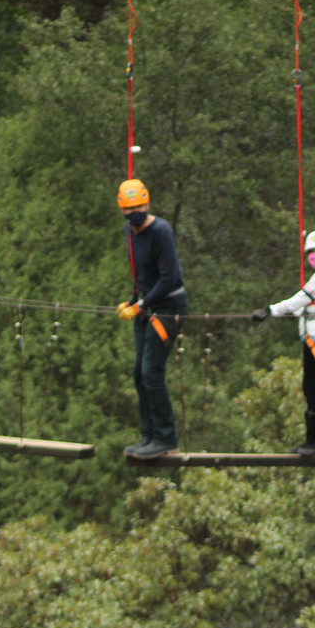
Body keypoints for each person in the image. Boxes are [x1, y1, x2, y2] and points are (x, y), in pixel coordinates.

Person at [116, 178, 188, 460]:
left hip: (169, 308)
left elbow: (169, 277)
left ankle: (166, 437)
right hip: (145, 308)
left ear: (147, 204)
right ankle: (148, 434)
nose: (136, 212)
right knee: (138, 372)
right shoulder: (129, 230)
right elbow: (140, 272)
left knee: (151, 372)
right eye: (130, 208)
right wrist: (134, 300)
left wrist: (141, 304)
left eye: (140, 206)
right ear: (122, 210)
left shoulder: (161, 231)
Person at [252, 229, 315, 456]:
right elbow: (302, 306)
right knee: (308, 386)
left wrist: (271, 310)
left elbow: (300, 299)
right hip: (314, 334)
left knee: (311, 386)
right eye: (312, 252)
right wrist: (284, 311)